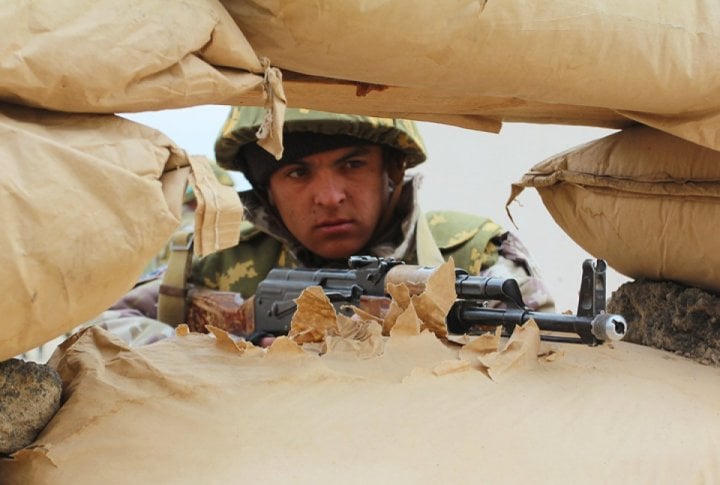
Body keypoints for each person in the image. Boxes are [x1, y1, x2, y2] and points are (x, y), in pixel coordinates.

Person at [173, 107, 554, 341]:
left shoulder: (474, 260)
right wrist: (242, 355)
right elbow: (119, 332)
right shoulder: (214, 263)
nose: (329, 196)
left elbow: (546, 357)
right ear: (266, 190)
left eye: (352, 165)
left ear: (390, 171)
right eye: (297, 173)